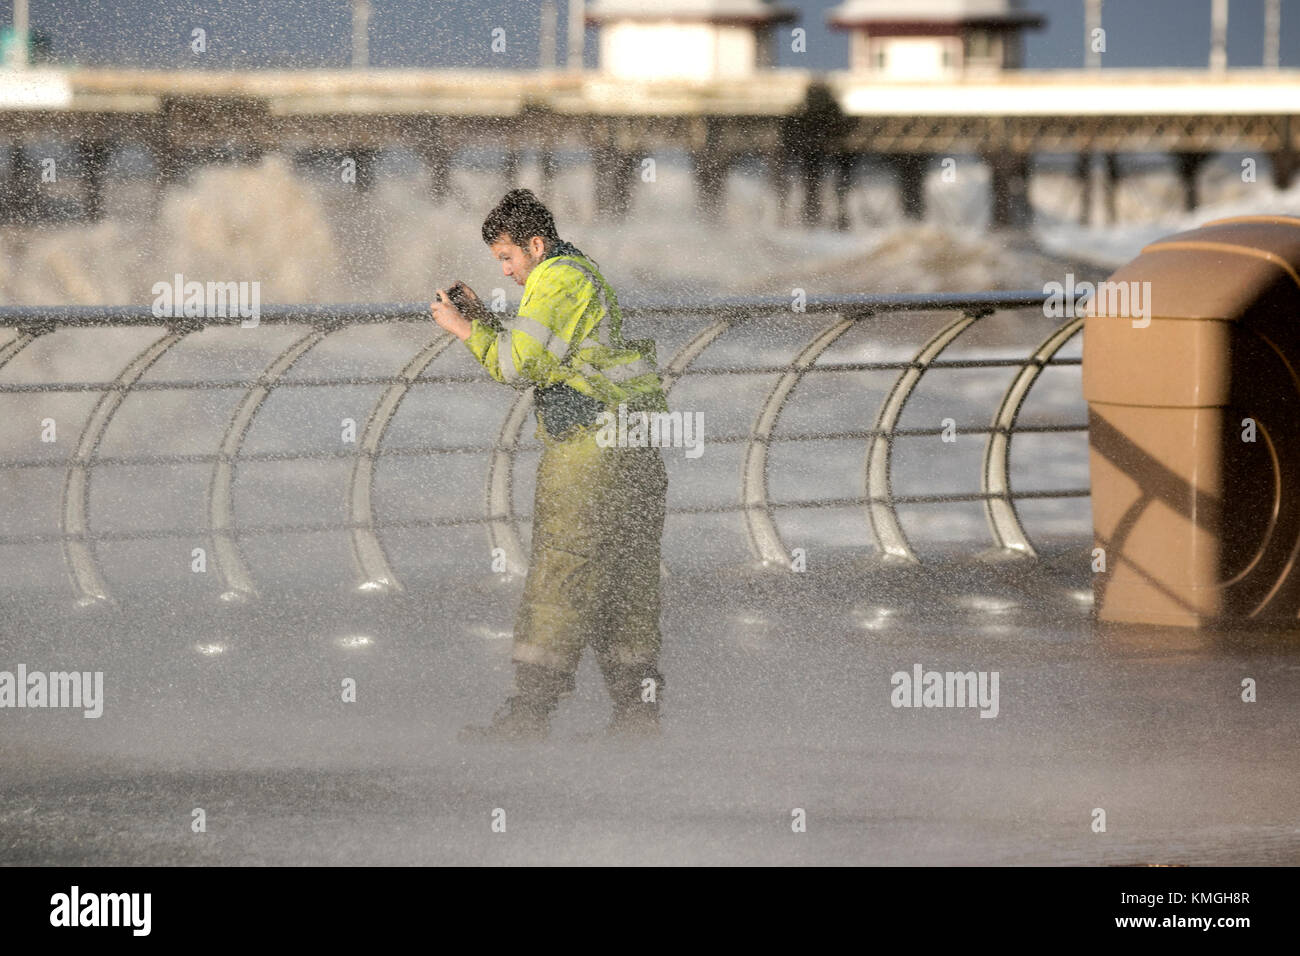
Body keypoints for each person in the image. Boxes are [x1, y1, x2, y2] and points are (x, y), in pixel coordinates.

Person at [429, 188, 670, 742]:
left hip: (590, 452)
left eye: (508, 259)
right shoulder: (581, 272)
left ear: (536, 245)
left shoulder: (557, 279)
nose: (508, 272)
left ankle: (529, 716)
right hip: (633, 446)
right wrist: (486, 317)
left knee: (561, 570)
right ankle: (638, 715)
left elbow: (519, 365)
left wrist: (463, 329)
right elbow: (549, 348)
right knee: (626, 580)